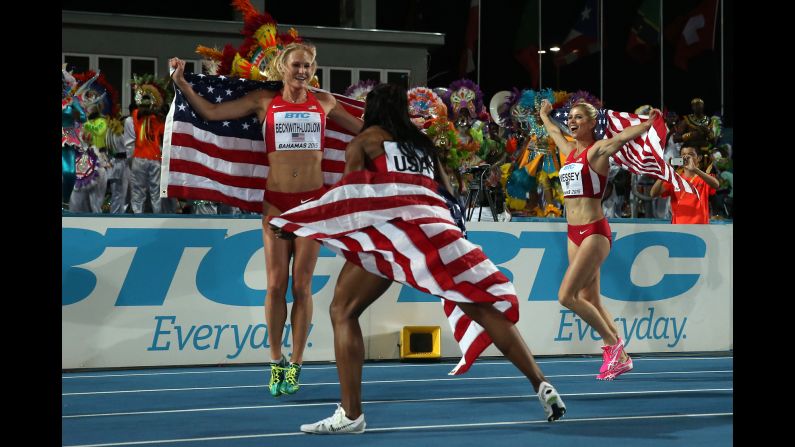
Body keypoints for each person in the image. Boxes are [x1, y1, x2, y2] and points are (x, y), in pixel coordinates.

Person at [270, 84, 566, 434]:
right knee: (483, 307)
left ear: (371, 110)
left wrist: (299, 224)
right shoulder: (423, 143)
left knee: (342, 310)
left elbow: (350, 198)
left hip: (396, 237)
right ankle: (541, 384)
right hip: (438, 231)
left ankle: (351, 415)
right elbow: (450, 192)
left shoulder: (364, 142)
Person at [170, 42, 363, 398]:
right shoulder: (263, 100)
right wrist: (182, 84)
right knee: (275, 286)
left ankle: (297, 365)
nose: (302, 71)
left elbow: (364, 131)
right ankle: (276, 361)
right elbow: (212, 113)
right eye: (296, 66)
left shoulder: (324, 103)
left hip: (311, 206)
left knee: (302, 288)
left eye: (307, 66)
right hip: (276, 205)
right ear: (282, 66)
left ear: (313, 69)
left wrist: (408, 135)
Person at [539, 98, 661, 380]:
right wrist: (546, 115)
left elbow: (620, 138)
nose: (572, 121)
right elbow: (554, 132)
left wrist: (646, 124)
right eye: (570, 117)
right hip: (573, 232)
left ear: (593, 123)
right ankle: (623, 358)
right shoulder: (569, 152)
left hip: (594, 232)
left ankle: (612, 344)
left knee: (566, 296)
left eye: (579, 117)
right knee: (588, 297)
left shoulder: (596, 152)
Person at [649, 144, 719, 224]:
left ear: (699, 158)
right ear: (679, 158)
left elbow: (716, 185)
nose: (686, 157)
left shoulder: (704, 178)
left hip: (700, 228)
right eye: (683, 155)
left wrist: (695, 170)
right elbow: (652, 193)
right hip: (679, 228)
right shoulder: (674, 179)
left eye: (691, 154)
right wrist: (665, 172)